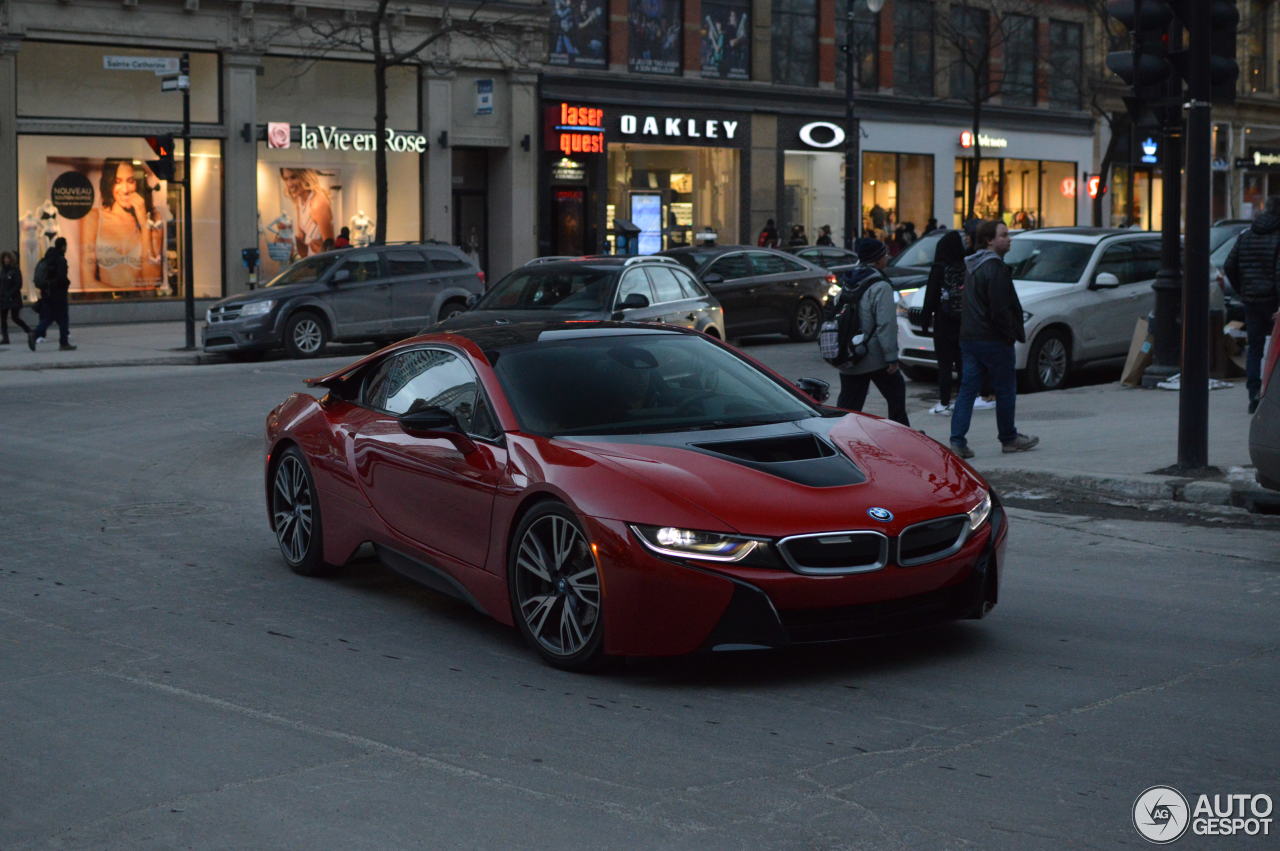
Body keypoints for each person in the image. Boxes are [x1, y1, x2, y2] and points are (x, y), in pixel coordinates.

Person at [949, 221, 1036, 457]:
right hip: (992, 338)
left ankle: (957, 440)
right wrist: (1009, 334)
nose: (1009, 239)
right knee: (1005, 388)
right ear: (989, 240)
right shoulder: (994, 268)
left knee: (968, 389)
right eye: (1004, 235)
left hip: (970, 336)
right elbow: (1000, 308)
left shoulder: (973, 265)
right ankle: (1009, 438)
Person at [834, 237, 910, 426]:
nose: (888, 257)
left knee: (848, 405)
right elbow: (886, 324)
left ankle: (837, 436)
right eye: (885, 254)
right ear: (877, 260)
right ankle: (903, 436)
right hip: (874, 356)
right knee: (896, 395)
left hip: (849, 353)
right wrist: (891, 357)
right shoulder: (880, 286)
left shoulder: (847, 281)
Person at [1225, 195, 1280, 413]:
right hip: (1273, 301)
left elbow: (1230, 265)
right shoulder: (1278, 236)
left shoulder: (1246, 235)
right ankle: (1272, 396)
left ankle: (1253, 396)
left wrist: (1243, 289)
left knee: (1254, 349)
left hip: (1251, 301)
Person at [80, 159, 152, 290]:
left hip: (140, 303)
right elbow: (88, 284)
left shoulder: (145, 221)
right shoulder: (94, 217)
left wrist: (144, 223)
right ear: (109, 184)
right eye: (117, 182)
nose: (125, 190)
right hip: (107, 303)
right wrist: (124, 297)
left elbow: (151, 283)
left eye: (130, 181)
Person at [919, 231, 967, 415]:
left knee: (945, 365)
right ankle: (963, 400)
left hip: (943, 322)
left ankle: (944, 402)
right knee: (962, 363)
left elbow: (930, 296)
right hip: (962, 322)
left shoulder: (939, 267)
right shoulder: (965, 265)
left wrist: (925, 321)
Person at [29, 237, 75, 351]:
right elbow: (61, 278)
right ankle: (63, 343)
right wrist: (67, 283)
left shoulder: (48, 258)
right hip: (58, 294)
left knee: (49, 317)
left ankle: (35, 334)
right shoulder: (60, 260)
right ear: (63, 246)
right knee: (63, 318)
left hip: (47, 293)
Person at [280, 168, 334, 258]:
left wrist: (322, 248)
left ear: (305, 176)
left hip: (321, 264)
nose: (289, 184)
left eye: (293, 177)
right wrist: (289, 237)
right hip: (309, 262)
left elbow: (331, 249)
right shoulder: (299, 200)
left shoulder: (318, 202)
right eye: (286, 179)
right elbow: (303, 245)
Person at [0, 251, 32, 345]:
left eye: (7, 258)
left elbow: (18, 284)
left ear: (11, 259)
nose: (6, 260)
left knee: (15, 317)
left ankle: (29, 331)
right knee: (3, 319)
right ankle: (5, 338)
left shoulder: (15, 270)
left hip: (13, 298)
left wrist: (10, 294)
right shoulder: (3, 271)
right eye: (4, 258)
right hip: (3, 298)